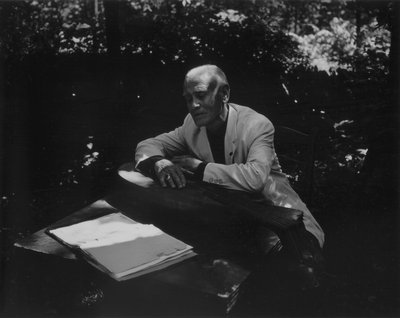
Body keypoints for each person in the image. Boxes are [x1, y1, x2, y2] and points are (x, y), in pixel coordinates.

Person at [135, 65, 324, 247]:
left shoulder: (256, 124)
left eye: (201, 95)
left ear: (224, 94)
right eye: (188, 99)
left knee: (272, 270)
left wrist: (199, 167)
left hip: (278, 217)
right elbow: (148, 145)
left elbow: (255, 178)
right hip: (228, 218)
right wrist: (158, 162)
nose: (193, 105)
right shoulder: (191, 125)